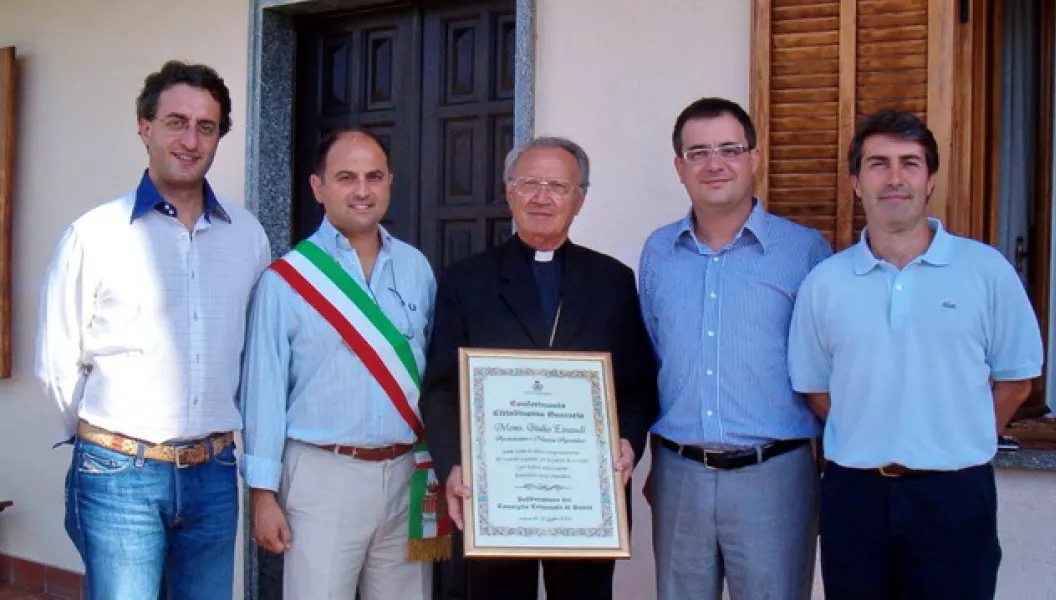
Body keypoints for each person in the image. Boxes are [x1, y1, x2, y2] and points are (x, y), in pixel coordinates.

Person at [34, 60, 269, 599]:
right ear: (145, 127)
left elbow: (255, 354)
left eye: (206, 127)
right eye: (175, 122)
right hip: (119, 472)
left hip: (212, 471)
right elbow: (56, 362)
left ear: (219, 137)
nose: (190, 140)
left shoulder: (248, 237)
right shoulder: (95, 234)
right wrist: (109, 439)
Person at [788, 109, 1042, 600]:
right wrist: (876, 430)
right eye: (878, 163)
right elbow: (816, 388)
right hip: (855, 496)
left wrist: (958, 437)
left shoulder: (985, 271)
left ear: (930, 181)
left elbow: (1016, 382)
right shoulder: (825, 283)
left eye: (910, 162)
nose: (895, 177)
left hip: (954, 495)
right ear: (857, 182)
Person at [419, 136, 658, 600]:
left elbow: (636, 382)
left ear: (580, 199)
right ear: (509, 192)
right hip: (496, 493)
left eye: (557, 185)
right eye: (529, 183)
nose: (541, 197)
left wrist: (628, 441)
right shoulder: (466, 279)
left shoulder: (613, 280)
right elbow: (442, 389)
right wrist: (452, 466)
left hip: (585, 496)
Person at [638, 97, 830, 600]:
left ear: (754, 158)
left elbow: (828, 365)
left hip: (776, 476)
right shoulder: (658, 251)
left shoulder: (805, 250)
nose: (714, 163)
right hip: (679, 476)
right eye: (697, 152)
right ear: (679, 167)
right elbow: (656, 360)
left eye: (729, 148)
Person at [241, 127, 442, 600]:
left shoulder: (417, 268)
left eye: (374, 177)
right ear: (319, 187)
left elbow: (435, 376)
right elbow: (263, 392)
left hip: (407, 474)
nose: (362, 190)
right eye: (346, 177)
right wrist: (261, 494)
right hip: (323, 475)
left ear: (390, 181)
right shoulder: (285, 280)